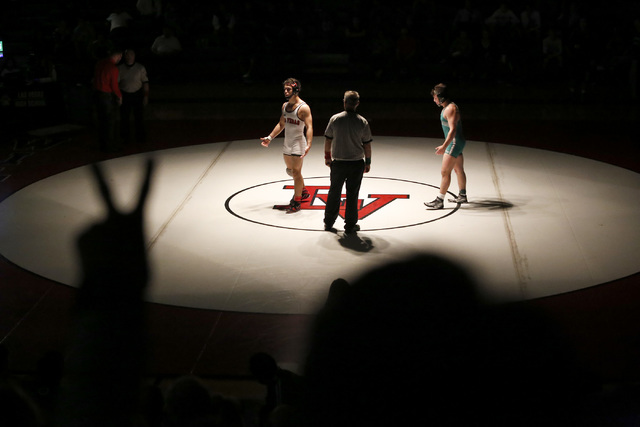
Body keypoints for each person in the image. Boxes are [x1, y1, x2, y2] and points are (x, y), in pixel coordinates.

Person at [260, 78, 313, 213]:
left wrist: (309, 144)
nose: (285, 91)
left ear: (296, 90)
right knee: (290, 171)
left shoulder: (304, 108)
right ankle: (304, 190)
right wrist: (270, 137)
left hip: (298, 143)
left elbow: (309, 126)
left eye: (288, 89)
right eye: (284, 89)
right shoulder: (285, 106)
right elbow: (281, 124)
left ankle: (297, 200)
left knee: (296, 172)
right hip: (287, 143)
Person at [323, 91, 372, 233]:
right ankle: (350, 223)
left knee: (334, 192)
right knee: (352, 194)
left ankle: (329, 221)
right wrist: (368, 162)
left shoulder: (335, 119)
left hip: (338, 163)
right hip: (356, 163)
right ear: (357, 104)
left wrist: (327, 157)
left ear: (344, 102)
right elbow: (367, 144)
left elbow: (328, 139)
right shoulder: (362, 121)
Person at [425, 83, 467, 209]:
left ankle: (439, 200)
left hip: (454, 142)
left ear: (441, 97)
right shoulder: (449, 107)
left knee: (445, 171)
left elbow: (453, 130)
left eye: (435, 97)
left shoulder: (450, 109)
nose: (434, 100)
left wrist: (444, 146)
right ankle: (462, 195)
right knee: (458, 169)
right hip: (457, 142)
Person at [93, 49, 123, 152]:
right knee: (110, 122)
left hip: (97, 94)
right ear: (118, 56)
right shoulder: (113, 68)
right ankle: (110, 146)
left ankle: (102, 144)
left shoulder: (100, 63)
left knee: (101, 121)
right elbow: (114, 86)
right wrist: (119, 96)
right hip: (107, 96)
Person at [118, 48, 149, 143]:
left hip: (137, 95)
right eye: (127, 54)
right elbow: (116, 83)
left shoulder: (140, 68)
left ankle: (140, 137)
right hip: (124, 94)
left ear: (134, 56)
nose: (129, 57)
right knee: (124, 117)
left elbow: (145, 82)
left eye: (131, 54)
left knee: (139, 117)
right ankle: (125, 137)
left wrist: (146, 96)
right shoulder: (120, 68)